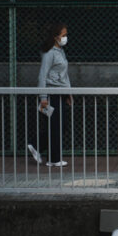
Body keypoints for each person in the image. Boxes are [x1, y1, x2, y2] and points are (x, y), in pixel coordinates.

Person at [28, 22, 72, 167]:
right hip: (52, 94)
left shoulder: (60, 52)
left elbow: (64, 74)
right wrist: (43, 97)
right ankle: (51, 156)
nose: (65, 37)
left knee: (60, 126)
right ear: (55, 37)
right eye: (63, 35)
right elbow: (42, 75)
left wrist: (69, 93)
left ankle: (38, 147)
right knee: (56, 126)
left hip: (61, 93)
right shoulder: (49, 54)